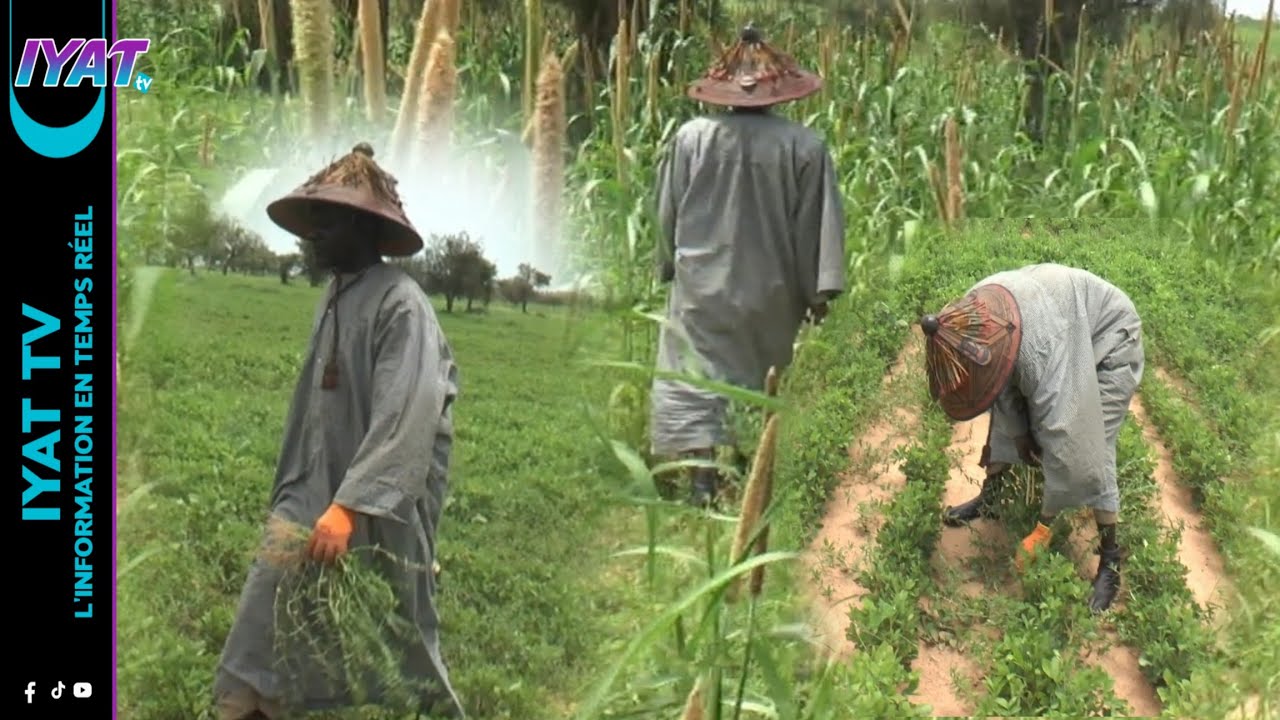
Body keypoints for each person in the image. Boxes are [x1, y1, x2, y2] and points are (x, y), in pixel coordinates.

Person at [213, 143, 464, 719]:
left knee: (394, 637)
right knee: (269, 609)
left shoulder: (402, 305)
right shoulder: (336, 296)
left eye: (327, 221)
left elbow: (410, 413)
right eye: (313, 220)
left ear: (363, 226)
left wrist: (350, 507)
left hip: (377, 508)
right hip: (312, 496)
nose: (314, 234)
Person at [650, 24, 846, 508]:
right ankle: (744, 475)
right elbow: (813, 229)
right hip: (770, 294)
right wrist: (816, 296)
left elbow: (667, 215)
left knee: (696, 377)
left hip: (701, 290)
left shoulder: (692, 138)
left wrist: (665, 269)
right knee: (758, 380)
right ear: (780, 94)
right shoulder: (805, 147)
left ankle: (700, 479)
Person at [919, 263, 1145, 613]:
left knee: (1093, 442)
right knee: (1007, 411)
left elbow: (1067, 436)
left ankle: (1111, 561)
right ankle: (991, 497)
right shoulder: (975, 319)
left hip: (1108, 337)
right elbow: (1001, 387)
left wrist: (1044, 525)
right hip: (1055, 318)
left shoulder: (1039, 349)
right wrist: (1021, 435)